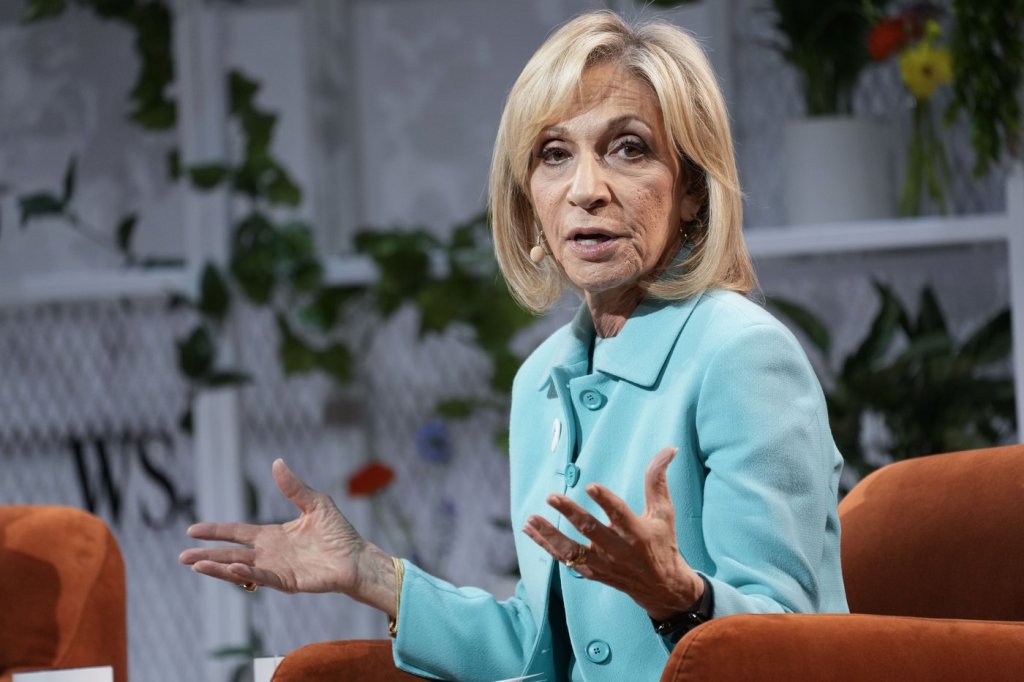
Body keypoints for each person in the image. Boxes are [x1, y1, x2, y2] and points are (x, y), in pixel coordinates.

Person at [180, 10, 848, 681]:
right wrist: (368, 571)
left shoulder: (742, 355)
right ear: (528, 202)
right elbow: (539, 646)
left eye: (629, 148)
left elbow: (785, 641)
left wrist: (677, 596)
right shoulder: (542, 379)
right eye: (554, 155)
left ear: (693, 192)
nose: (586, 190)